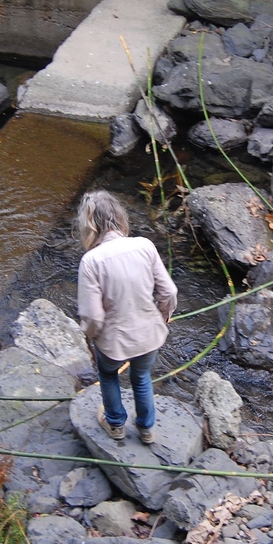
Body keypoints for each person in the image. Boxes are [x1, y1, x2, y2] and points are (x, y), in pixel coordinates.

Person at [75, 190, 178, 444]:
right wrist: (164, 315)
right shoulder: (145, 246)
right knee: (141, 377)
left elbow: (92, 316)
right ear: (119, 217)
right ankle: (146, 429)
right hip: (148, 335)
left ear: (90, 226)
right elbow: (169, 291)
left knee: (108, 375)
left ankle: (116, 424)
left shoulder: (91, 261)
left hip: (113, 342)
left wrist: (93, 337)